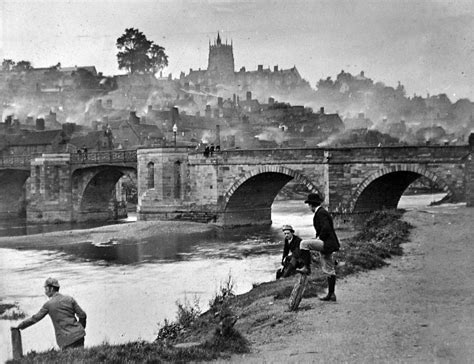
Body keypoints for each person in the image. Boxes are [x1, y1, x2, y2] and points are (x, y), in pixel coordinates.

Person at [12, 278, 87, 350]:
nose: (45, 292)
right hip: (79, 336)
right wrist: (80, 328)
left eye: (46, 289)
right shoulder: (70, 299)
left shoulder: (48, 305)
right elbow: (82, 315)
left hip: (66, 340)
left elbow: (35, 319)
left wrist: (20, 326)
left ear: (51, 289)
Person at [297, 193, 340, 302]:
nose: (309, 207)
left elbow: (326, 228)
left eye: (309, 205)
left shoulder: (320, 213)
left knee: (303, 244)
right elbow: (326, 228)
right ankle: (331, 294)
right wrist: (318, 238)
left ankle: (306, 267)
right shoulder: (323, 212)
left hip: (326, 243)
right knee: (329, 269)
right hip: (330, 244)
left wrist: (319, 238)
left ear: (312, 205)